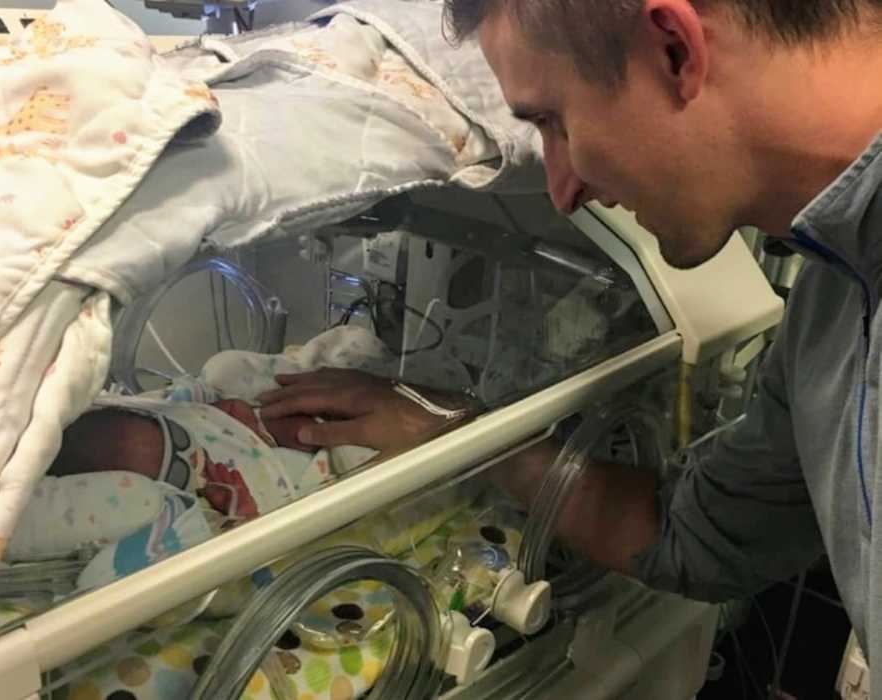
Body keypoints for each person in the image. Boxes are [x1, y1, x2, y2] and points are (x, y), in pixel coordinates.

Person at [256, 0, 882, 685]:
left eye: (552, 121)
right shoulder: (831, 297)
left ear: (674, 50)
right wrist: (460, 431)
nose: (562, 190)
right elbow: (697, 536)